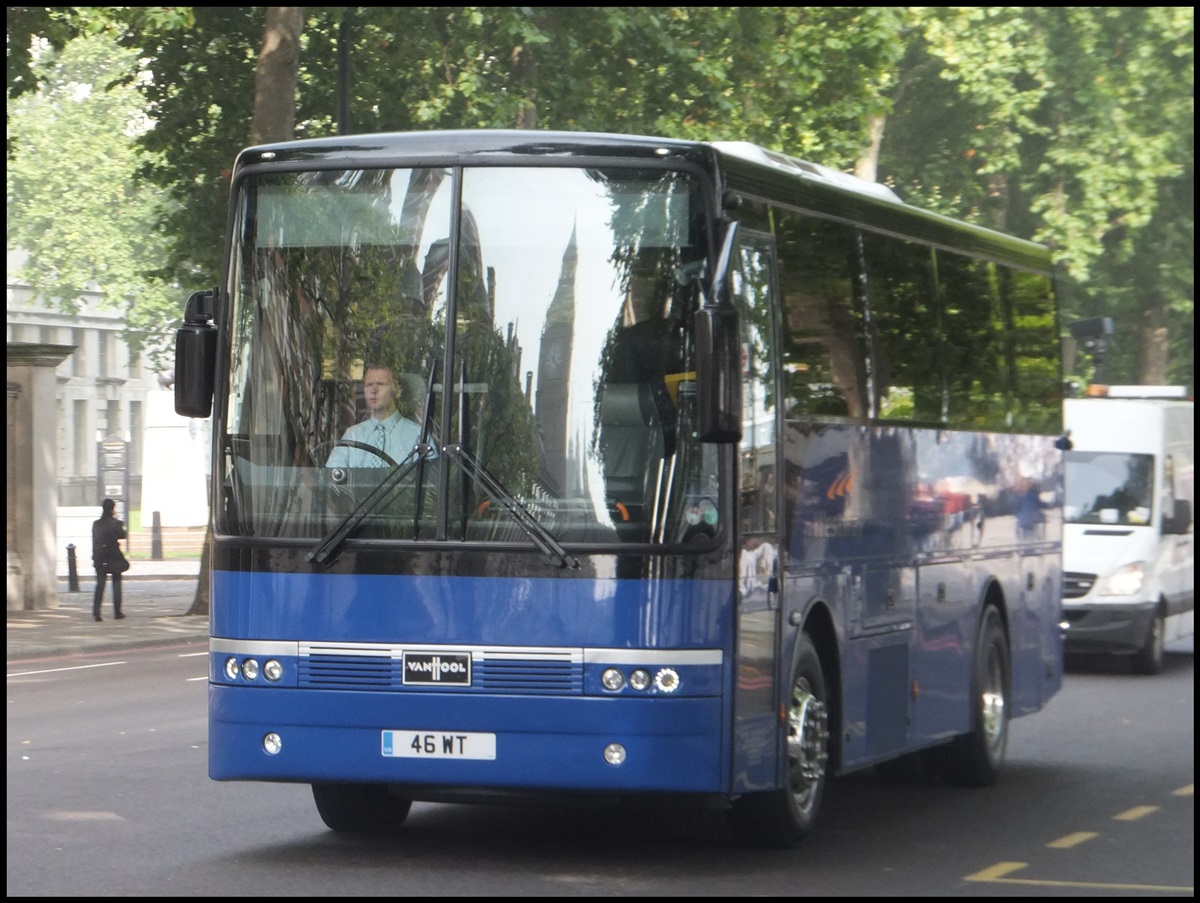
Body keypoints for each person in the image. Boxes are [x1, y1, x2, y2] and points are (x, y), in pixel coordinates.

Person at [326, 365, 423, 468]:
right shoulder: (352, 436)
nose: (373, 390)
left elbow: (430, 479)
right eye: (369, 385)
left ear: (397, 391)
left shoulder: (418, 436)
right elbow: (332, 478)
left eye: (380, 384)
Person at [91, 498, 127, 621]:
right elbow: (123, 535)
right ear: (112, 508)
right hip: (113, 556)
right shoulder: (115, 523)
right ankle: (117, 612)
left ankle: (97, 612)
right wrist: (118, 520)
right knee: (116, 583)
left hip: (100, 557)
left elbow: (95, 540)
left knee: (100, 585)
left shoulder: (96, 524)